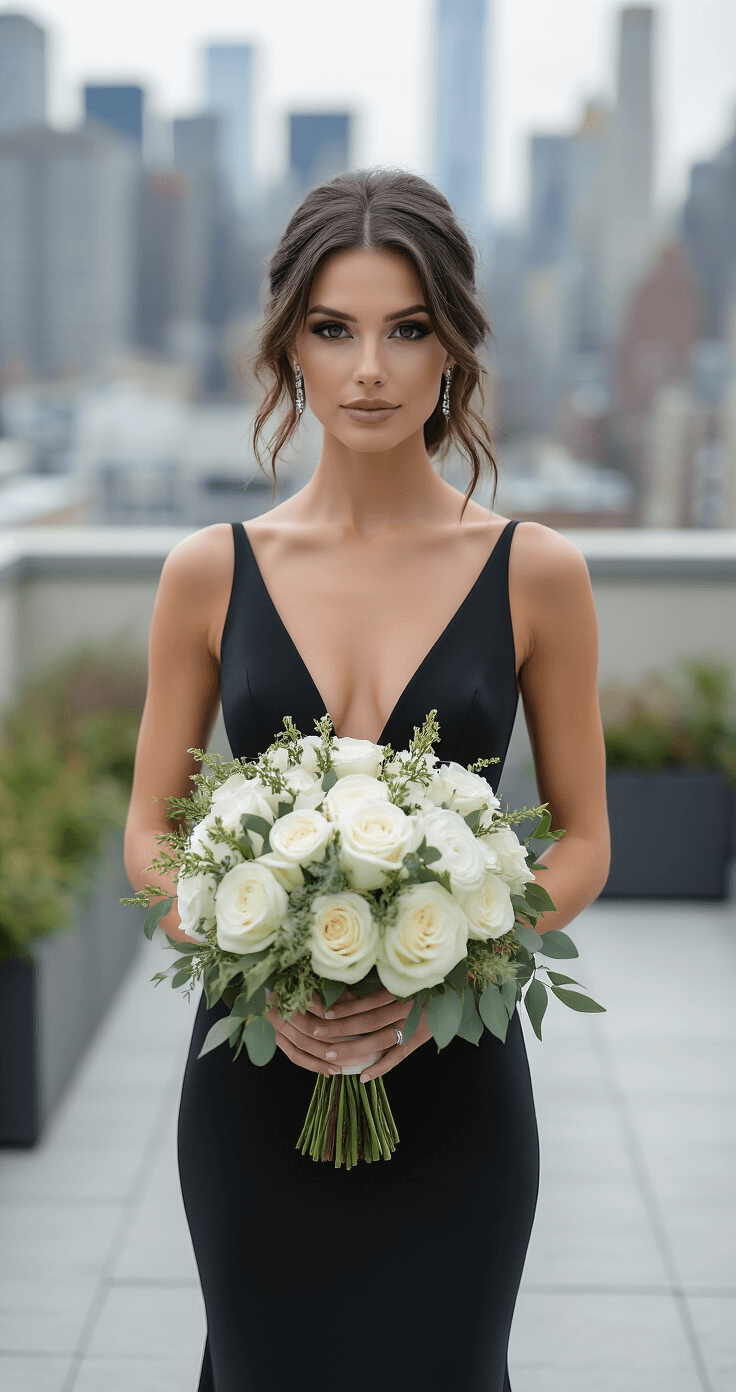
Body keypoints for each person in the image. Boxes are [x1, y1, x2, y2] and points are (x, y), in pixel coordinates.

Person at [124, 168, 610, 1392]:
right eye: (335, 330)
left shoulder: (538, 573)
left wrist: (456, 969)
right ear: (290, 345)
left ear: (454, 346)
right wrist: (249, 954)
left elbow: (584, 840)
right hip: (253, 1075)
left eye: (407, 329)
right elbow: (148, 837)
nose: (370, 370)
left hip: (455, 1084)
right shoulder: (207, 572)